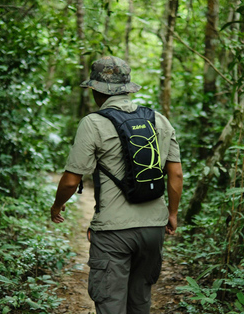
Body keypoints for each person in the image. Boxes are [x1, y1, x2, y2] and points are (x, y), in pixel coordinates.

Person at [50, 55, 183, 314]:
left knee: (111, 303)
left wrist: (57, 206)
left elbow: (70, 180)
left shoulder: (93, 123)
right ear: (127, 88)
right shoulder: (159, 120)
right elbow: (175, 174)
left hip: (113, 233)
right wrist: (173, 213)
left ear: (95, 89)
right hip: (153, 228)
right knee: (140, 299)